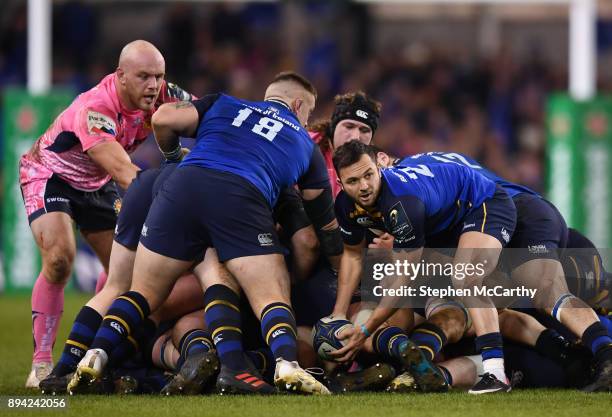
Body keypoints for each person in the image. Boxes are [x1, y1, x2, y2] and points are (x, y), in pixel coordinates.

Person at [68, 71, 336, 395]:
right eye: (306, 113)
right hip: (240, 194)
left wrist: (170, 157)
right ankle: (286, 365)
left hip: (181, 186)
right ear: (297, 105)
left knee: (142, 293)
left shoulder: (224, 103)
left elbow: (164, 117)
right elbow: (320, 229)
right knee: (270, 294)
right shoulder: (304, 143)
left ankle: (96, 353)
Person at [19, 39, 192, 388]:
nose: (153, 85)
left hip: (98, 181)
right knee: (59, 260)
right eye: (144, 76)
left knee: (123, 274)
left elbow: (208, 114)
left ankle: (98, 353)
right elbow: (128, 175)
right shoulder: (96, 108)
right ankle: (40, 365)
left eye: (158, 76)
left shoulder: (164, 95)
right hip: (52, 175)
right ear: (121, 76)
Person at [330, 140, 517, 394]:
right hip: (441, 225)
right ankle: (398, 363)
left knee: (466, 277)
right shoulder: (344, 206)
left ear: (379, 167)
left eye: (369, 175)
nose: (363, 187)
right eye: (353, 181)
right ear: (340, 184)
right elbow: (352, 255)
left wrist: (364, 329)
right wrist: (338, 314)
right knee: (390, 287)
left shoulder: (402, 202)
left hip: (482, 203)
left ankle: (496, 373)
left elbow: (405, 279)